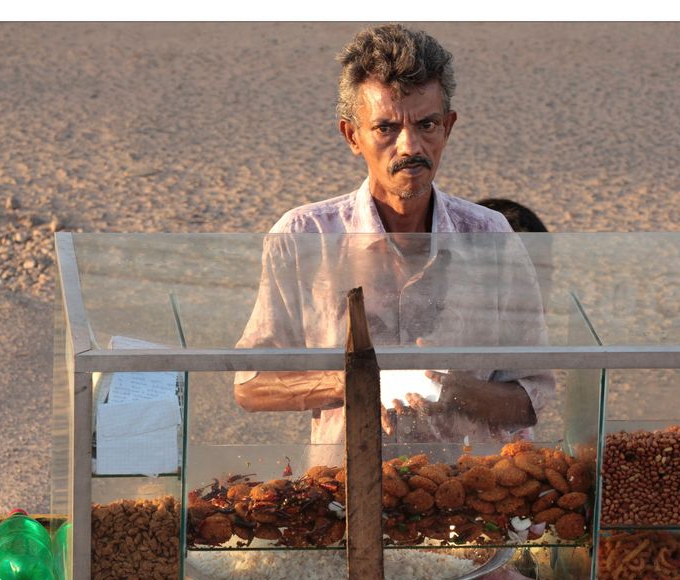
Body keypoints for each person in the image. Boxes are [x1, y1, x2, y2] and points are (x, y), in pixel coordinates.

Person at [234, 24, 553, 446]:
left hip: (465, 494)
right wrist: (354, 383)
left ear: (448, 127)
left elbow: (532, 396)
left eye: (427, 125)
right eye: (386, 128)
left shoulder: (489, 235)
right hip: (338, 493)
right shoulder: (305, 237)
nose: (410, 147)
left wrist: (455, 390)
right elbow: (251, 385)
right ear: (352, 135)